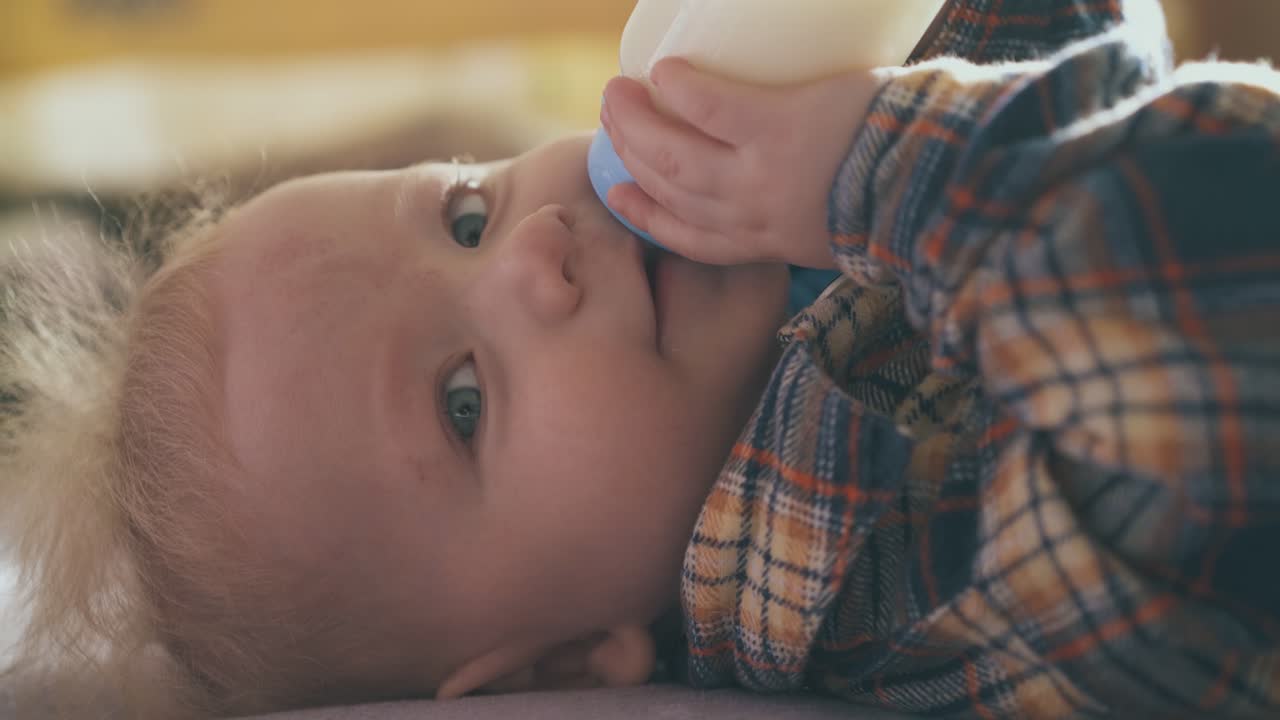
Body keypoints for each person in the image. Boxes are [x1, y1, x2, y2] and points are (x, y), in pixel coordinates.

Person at [2, 0, 1277, 718]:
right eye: (462, 402)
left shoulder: (780, 297)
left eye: (464, 214)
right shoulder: (877, 567)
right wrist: (879, 163)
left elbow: (1089, 67)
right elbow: (1221, 339)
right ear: (564, 666)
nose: (536, 252)